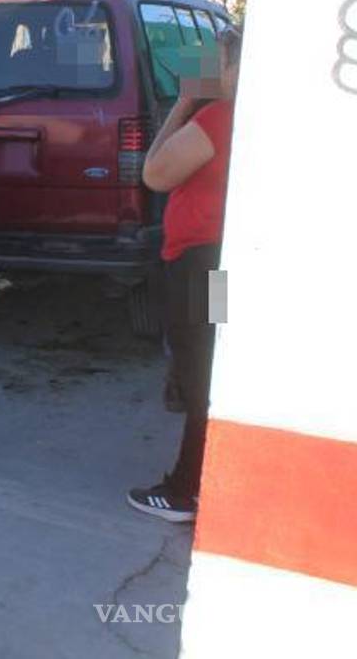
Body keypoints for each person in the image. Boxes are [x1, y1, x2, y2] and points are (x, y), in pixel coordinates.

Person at [128, 26, 242, 523]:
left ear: (236, 69)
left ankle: (185, 490)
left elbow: (154, 172)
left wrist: (184, 103)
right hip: (216, 262)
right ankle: (206, 477)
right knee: (211, 359)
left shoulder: (218, 117)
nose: (206, 69)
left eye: (216, 61)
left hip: (198, 262)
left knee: (199, 369)